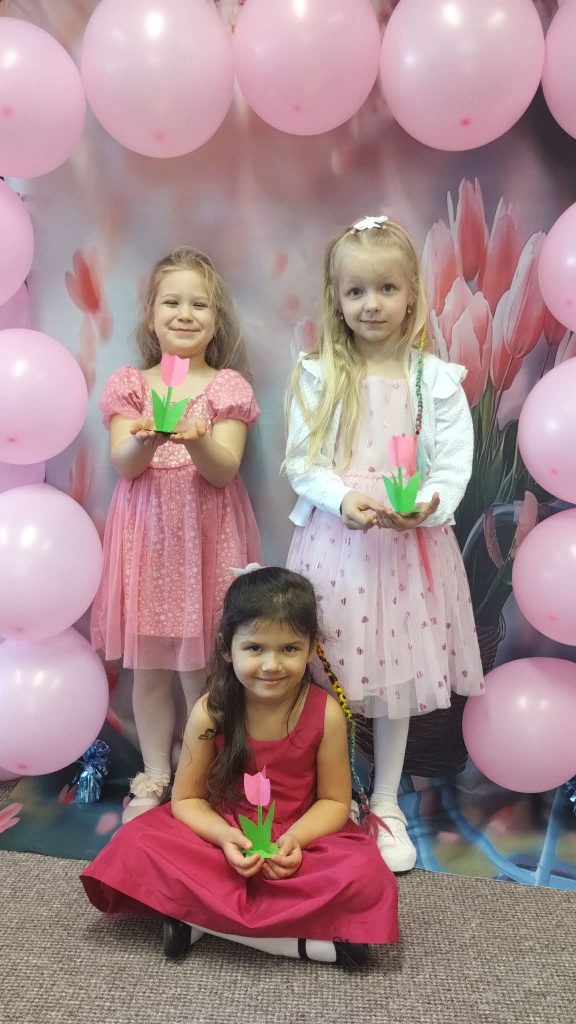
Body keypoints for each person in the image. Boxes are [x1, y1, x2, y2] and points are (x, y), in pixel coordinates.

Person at [284, 215, 484, 873]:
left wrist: (427, 506)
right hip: (337, 547)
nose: (371, 305)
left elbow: (452, 465)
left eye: (386, 289)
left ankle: (388, 800)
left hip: (407, 551)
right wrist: (341, 499)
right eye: (356, 292)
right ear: (337, 299)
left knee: (397, 676)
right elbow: (303, 462)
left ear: (411, 294)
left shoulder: (436, 379)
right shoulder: (319, 373)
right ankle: (332, 794)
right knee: (328, 671)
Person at [81, 567, 399, 969]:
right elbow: (187, 799)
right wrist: (226, 837)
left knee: (365, 872)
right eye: (255, 648)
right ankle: (307, 944)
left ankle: (200, 922)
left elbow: (335, 802)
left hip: (300, 838)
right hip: (223, 835)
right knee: (135, 840)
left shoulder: (326, 714)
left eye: (289, 648)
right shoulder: (211, 711)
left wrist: (295, 841)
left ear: (311, 649)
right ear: (227, 648)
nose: (271, 664)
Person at [91, 247, 262, 823]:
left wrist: (197, 439)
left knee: (202, 671)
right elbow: (124, 463)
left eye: (199, 304)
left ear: (216, 320)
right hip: (149, 541)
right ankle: (155, 772)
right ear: (150, 315)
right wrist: (143, 439)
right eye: (172, 302)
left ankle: (201, 775)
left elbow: (224, 470)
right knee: (150, 667)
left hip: (206, 539)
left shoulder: (226, 386)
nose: (185, 314)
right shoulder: (132, 385)